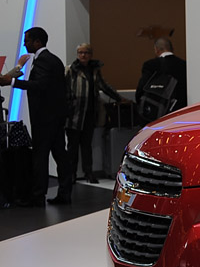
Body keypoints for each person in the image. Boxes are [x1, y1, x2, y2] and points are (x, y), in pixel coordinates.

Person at [0, 27, 74, 205]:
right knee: (60, 155)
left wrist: (12, 81)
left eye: (27, 41)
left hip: (44, 118)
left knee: (40, 156)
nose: (24, 44)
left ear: (37, 42)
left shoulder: (43, 61)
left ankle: (38, 195)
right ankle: (64, 193)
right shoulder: (52, 60)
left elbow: (39, 85)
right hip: (55, 117)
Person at [65, 43, 123, 184]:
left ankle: (88, 172)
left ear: (90, 54)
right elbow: (64, 90)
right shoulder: (70, 70)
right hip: (74, 114)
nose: (83, 55)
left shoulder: (94, 70)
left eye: (85, 52)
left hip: (90, 113)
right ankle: (71, 174)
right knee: (72, 147)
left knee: (87, 146)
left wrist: (119, 98)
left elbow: (104, 86)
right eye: (80, 52)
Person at [136, 36, 187, 120]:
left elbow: (141, 88)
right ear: (172, 49)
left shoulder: (150, 65)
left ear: (156, 49)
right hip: (179, 112)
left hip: (156, 112)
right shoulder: (184, 65)